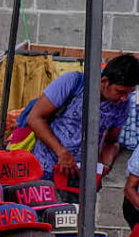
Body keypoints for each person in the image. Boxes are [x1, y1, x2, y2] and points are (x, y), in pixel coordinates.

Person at [28, 55, 139, 201]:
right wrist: (61, 153)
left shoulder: (122, 105)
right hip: (45, 169)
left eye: (128, 93)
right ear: (104, 82)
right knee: (42, 217)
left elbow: (111, 142)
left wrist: (106, 163)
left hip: (79, 179)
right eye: (120, 92)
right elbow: (34, 118)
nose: (124, 98)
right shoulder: (74, 83)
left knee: (71, 220)